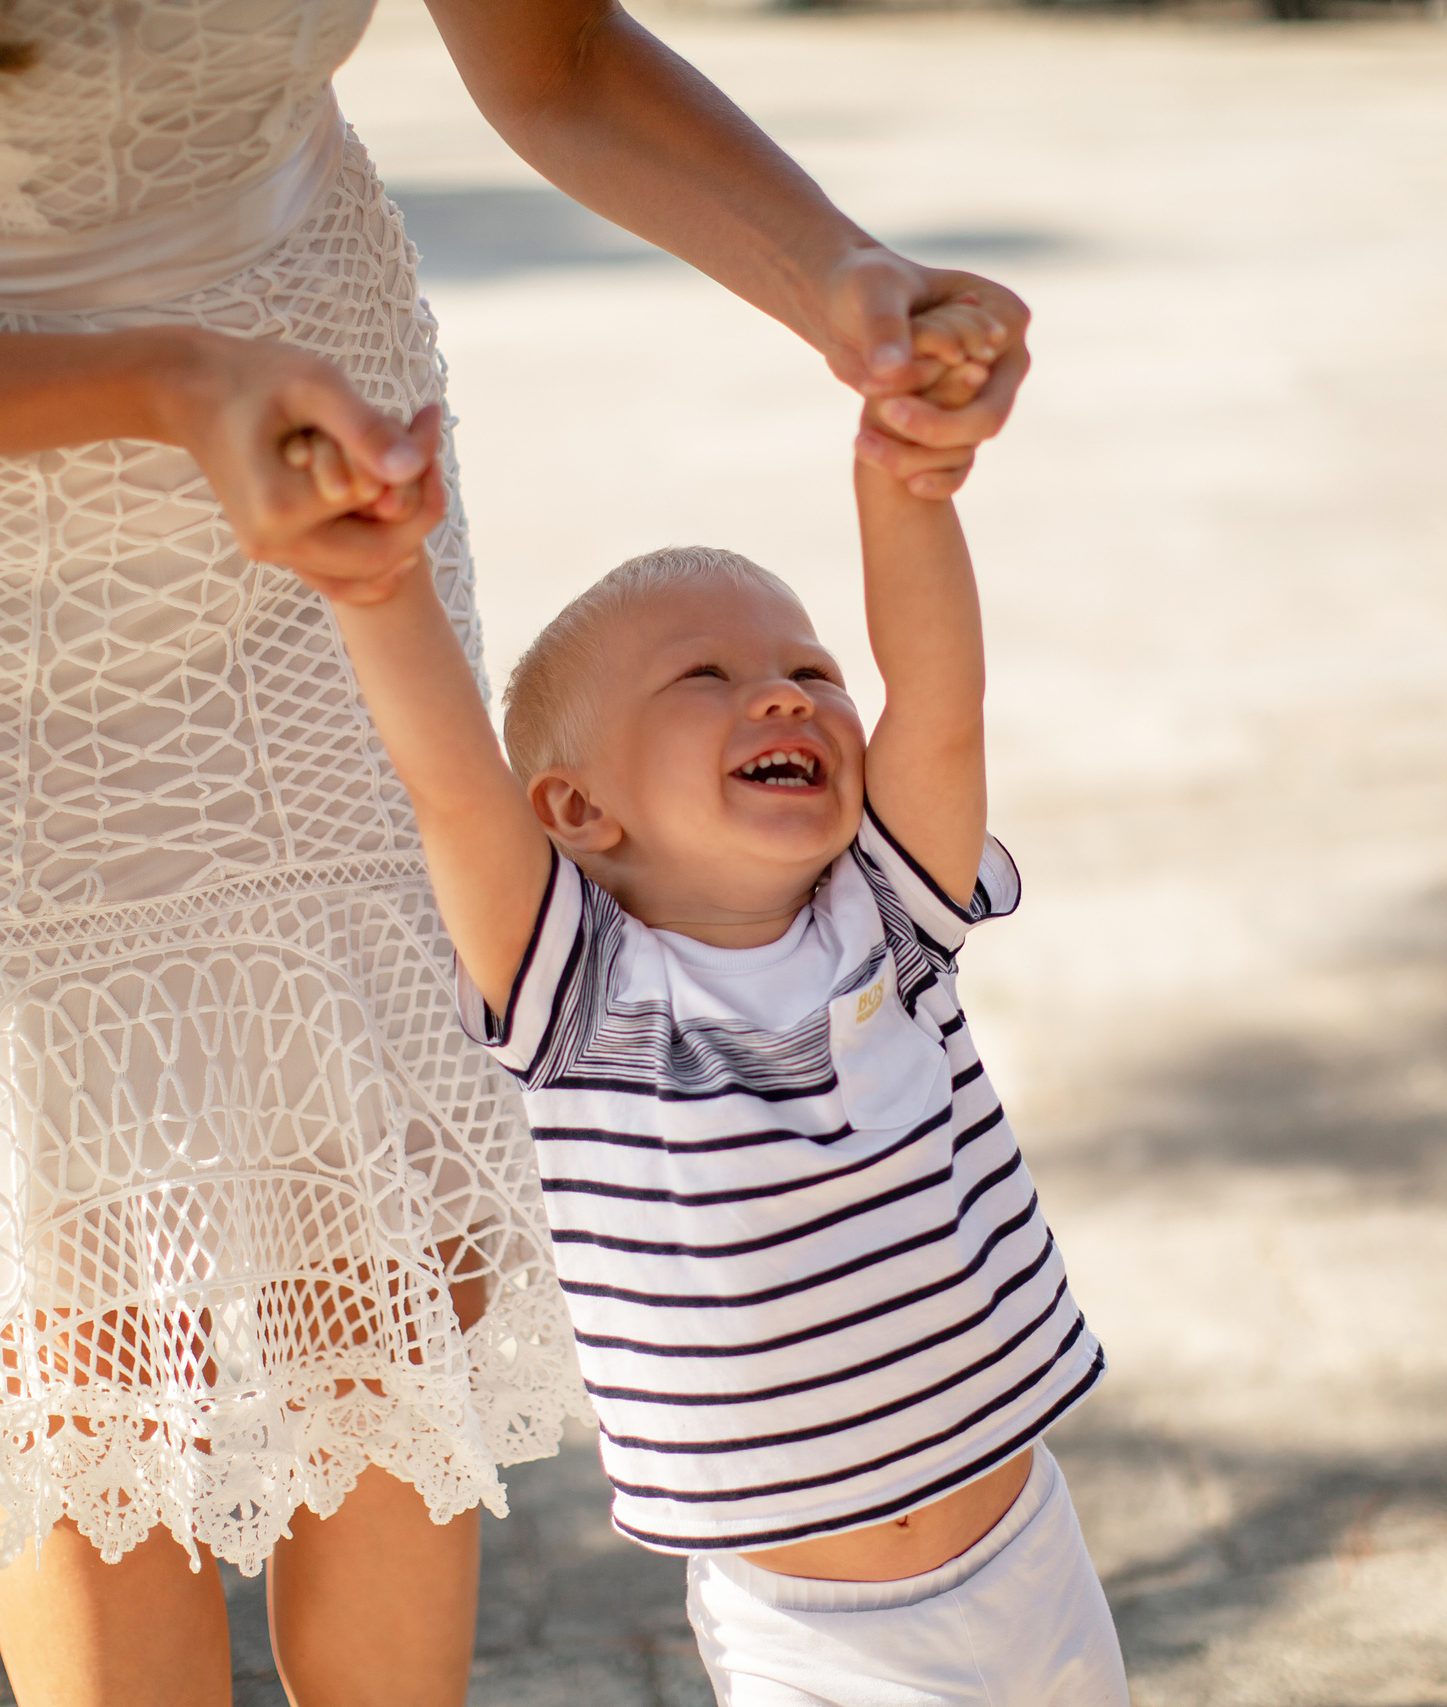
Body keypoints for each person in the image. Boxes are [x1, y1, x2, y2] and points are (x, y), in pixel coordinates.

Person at [0, 1, 1037, 1702]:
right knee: (75, 1324)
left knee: (376, 1266)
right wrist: (168, 378)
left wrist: (837, 274)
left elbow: (560, 61)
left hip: (338, 488)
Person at [307, 300, 1126, 1706]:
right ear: (576, 808)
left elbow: (937, 702)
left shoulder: (889, 917)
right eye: (710, 679)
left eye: (808, 674)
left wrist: (904, 483)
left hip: (1030, 1559)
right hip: (814, 1632)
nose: (785, 698)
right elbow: (452, 785)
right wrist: (381, 592)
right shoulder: (580, 994)